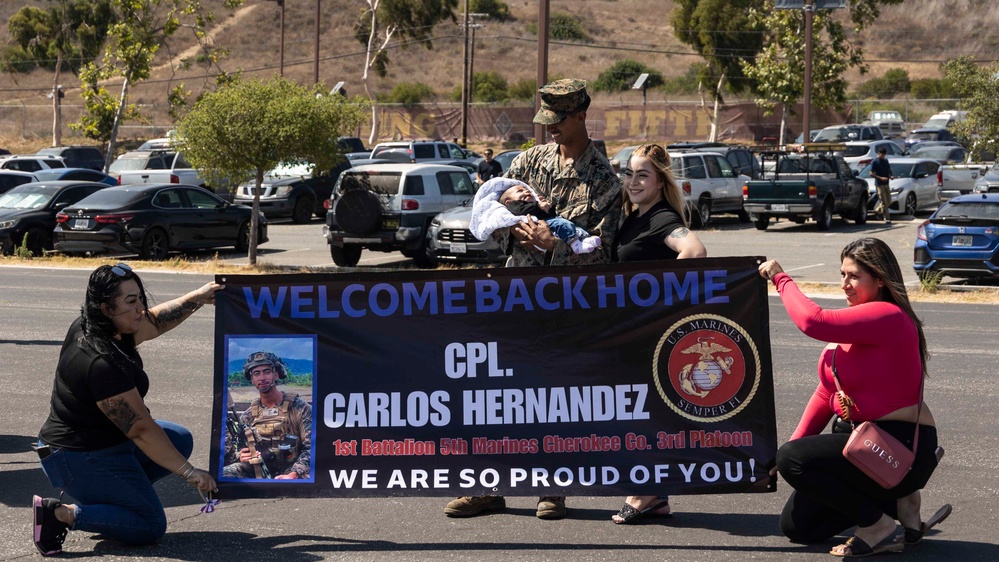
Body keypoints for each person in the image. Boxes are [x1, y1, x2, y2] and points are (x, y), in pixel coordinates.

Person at [444, 78, 622, 520]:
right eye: (546, 120)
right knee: (495, 395)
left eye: (558, 120)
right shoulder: (528, 161)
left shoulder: (605, 181)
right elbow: (489, 214)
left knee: (554, 396)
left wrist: (553, 244)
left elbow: (606, 253)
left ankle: (552, 486)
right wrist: (510, 228)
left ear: (581, 115)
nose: (551, 129)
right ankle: (488, 486)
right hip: (513, 297)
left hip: (565, 306)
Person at [759, 238, 950, 557]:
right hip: (857, 442)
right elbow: (825, 394)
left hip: (897, 444)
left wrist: (782, 278)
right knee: (799, 527)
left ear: (879, 279)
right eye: (842, 274)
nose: (845, 284)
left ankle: (877, 523)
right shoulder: (856, 324)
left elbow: (812, 321)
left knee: (794, 459)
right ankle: (895, 501)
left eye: (854, 276)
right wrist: (793, 443)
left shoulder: (889, 317)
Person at [32, 263, 221, 556]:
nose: (142, 309)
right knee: (149, 525)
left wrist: (197, 297)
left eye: (141, 298)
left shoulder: (106, 326)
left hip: (105, 443)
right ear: (107, 309)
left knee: (179, 438)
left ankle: (120, 501)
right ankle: (60, 513)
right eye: (131, 302)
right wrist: (190, 472)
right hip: (74, 457)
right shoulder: (99, 363)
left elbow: (156, 321)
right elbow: (141, 429)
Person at [609, 143, 706, 524]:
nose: (633, 181)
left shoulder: (662, 218)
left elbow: (694, 251)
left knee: (646, 414)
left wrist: (656, 303)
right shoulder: (636, 215)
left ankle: (646, 493)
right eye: (629, 173)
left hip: (650, 335)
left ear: (660, 181)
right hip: (631, 333)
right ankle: (654, 494)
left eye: (643, 175)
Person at [222, 351, 312, 480]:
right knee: (224, 475)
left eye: (267, 372)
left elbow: (312, 448)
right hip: (258, 469)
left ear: (276, 374)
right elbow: (238, 450)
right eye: (256, 373)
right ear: (252, 379)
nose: (262, 378)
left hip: (292, 470)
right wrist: (241, 456)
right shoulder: (248, 415)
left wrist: (294, 474)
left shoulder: (298, 408)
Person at [469, 177, 602, 255]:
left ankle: (585, 240)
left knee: (573, 228)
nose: (526, 192)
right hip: (537, 229)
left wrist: (547, 207)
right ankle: (576, 244)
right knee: (563, 225)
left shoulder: (534, 203)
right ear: (508, 201)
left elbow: (550, 214)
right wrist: (538, 206)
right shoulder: (514, 205)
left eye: (528, 191)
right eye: (520, 191)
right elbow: (520, 211)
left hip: (548, 227)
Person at [870, 146, 893, 225]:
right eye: (882, 155)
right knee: (883, 201)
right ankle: (887, 218)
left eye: (884, 155)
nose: (883, 156)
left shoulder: (886, 161)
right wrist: (880, 178)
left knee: (889, 200)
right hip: (879, 184)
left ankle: (877, 210)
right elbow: (871, 173)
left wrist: (891, 175)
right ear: (878, 154)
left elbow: (889, 170)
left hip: (886, 183)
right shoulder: (875, 162)